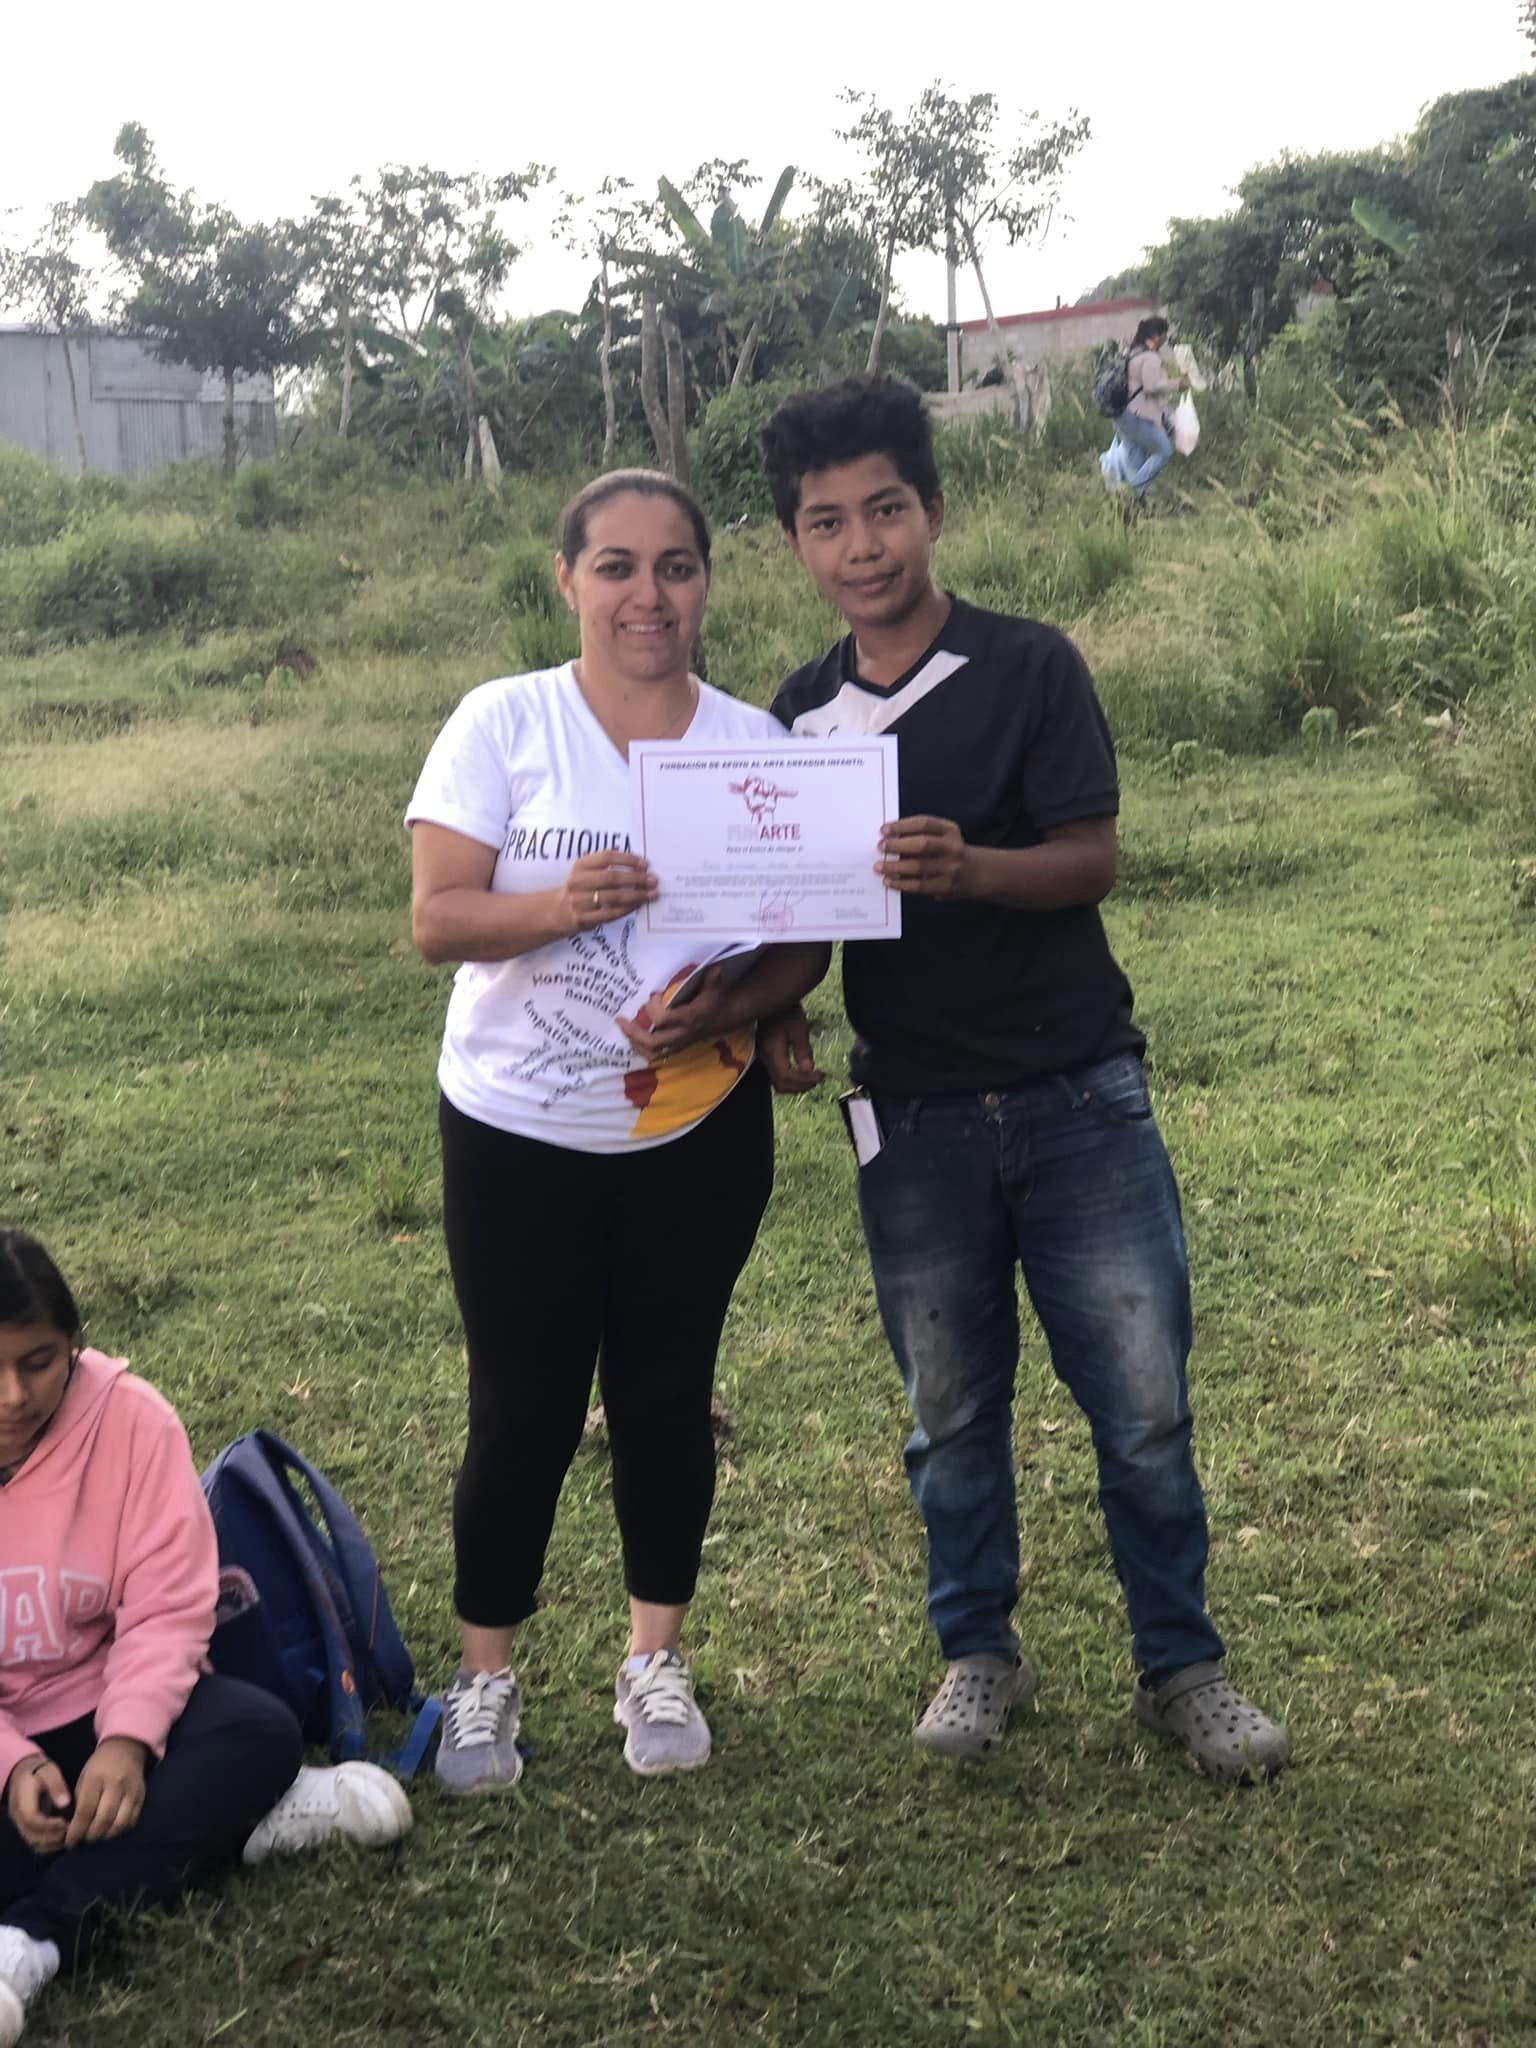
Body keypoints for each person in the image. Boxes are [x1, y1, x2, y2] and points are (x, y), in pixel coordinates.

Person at [754, 376, 1289, 1783]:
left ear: (933, 510)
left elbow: (1090, 858)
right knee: (948, 1412)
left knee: (1144, 1401)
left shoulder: (1030, 665)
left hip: (1076, 1090)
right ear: (797, 544)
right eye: (827, 522)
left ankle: (1183, 1665)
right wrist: (775, 1006)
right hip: (912, 1112)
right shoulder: (796, 717)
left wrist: (971, 867)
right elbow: (796, 908)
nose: (863, 544)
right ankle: (978, 1649)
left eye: (885, 509)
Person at [407, 471, 826, 1790]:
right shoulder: (505, 721)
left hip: (696, 1134)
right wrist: (562, 906)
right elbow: (438, 918)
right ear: (567, 579)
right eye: (617, 567)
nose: (650, 595)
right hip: (516, 1131)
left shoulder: (754, 744)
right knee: (521, 1407)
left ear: (707, 581)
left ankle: (656, 1659)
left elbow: (802, 936)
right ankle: (485, 1678)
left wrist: (752, 1007)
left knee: (663, 1395)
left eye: (676, 566)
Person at [0, 1228, 411, 2048]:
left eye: (38, 1363)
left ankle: (32, 1940)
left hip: (122, 1704)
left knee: (256, 1732)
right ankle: (236, 1825)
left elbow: (168, 1605)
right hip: (13, 1740)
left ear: (74, 1345)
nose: (12, 1396)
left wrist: (126, 1741)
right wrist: (11, 1764)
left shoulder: (132, 1421)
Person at [1107, 316, 1189, 505]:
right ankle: (1131, 494)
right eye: (1164, 334)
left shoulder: (1131, 353)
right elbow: (1151, 387)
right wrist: (1177, 384)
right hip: (1138, 415)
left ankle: (1135, 503)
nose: (1166, 338)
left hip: (1121, 415)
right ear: (1155, 335)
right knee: (1164, 451)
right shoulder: (1150, 358)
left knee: (1137, 458)